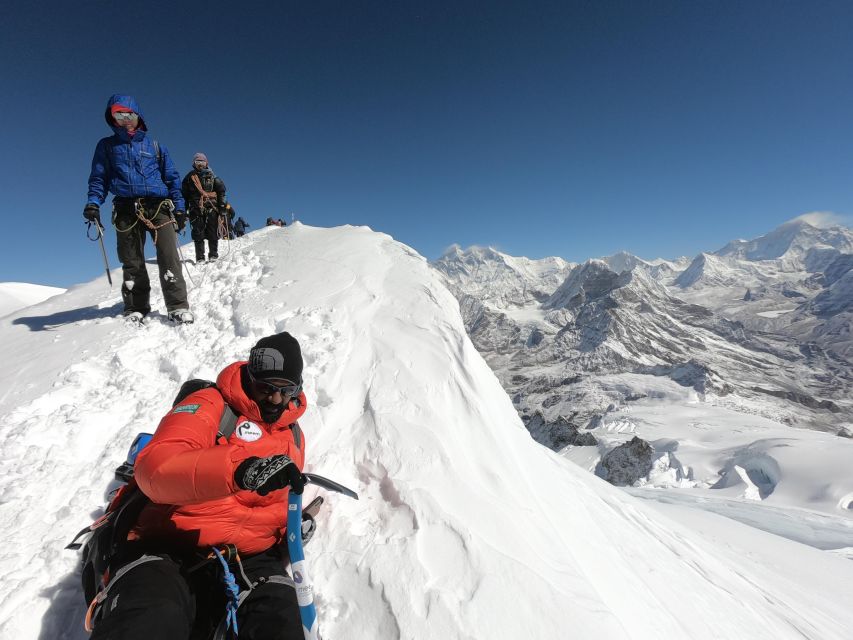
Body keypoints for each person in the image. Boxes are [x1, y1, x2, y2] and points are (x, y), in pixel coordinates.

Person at [90, 332, 309, 640]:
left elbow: (270, 504)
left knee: (283, 624)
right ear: (249, 376)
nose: (275, 399)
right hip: (171, 545)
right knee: (150, 617)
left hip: (250, 559)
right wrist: (239, 470)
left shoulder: (295, 435)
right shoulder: (209, 405)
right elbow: (157, 469)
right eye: (266, 388)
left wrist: (293, 526)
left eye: (286, 391)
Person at [84, 95, 193, 324]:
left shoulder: (155, 147)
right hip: (125, 207)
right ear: (112, 118)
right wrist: (94, 202)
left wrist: (180, 209)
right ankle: (136, 307)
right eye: (118, 115)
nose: (124, 120)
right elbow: (99, 178)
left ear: (137, 115)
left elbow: (172, 178)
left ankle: (177, 306)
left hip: (158, 207)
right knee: (131, 259)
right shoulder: (107, 146)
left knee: (168, 255)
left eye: (128, 115)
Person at [181, 153, 227, 263]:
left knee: (212, 232)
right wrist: (183, 211)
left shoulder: (213, 177)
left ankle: (213, 255)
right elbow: (184, 196)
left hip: (212, 208)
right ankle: (200, 257)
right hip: (195, 209)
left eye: (202, 162)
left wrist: (222, 208)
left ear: (206, 163)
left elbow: (221, 192)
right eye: (198, 162)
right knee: (198, 233)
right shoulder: (188, 179)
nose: (200, 164)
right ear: (194, 164)